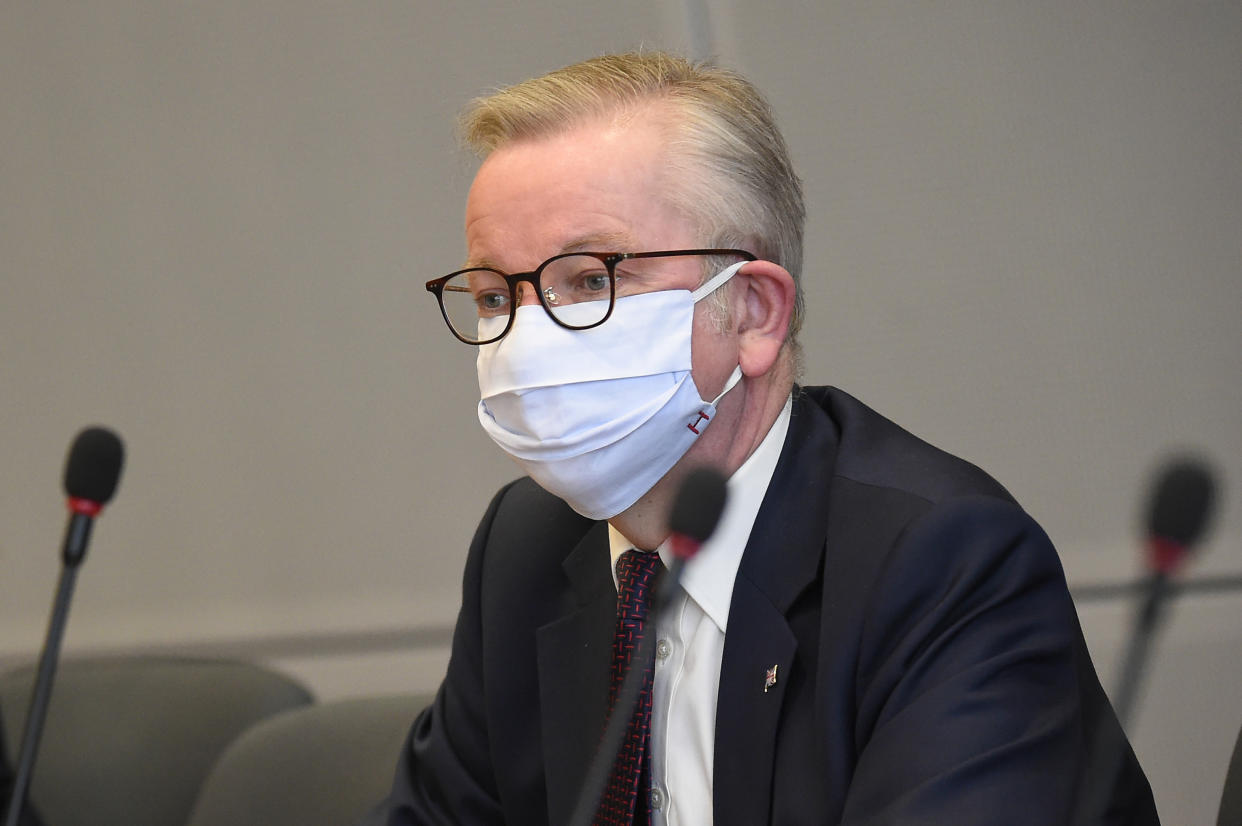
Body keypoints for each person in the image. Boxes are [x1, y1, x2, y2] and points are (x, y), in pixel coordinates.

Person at [374, 52, 1159, 825]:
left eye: (589, 280)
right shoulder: (525, 550)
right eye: (492, 294)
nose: (529, 338)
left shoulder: (943, 562)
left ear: (752, 313)